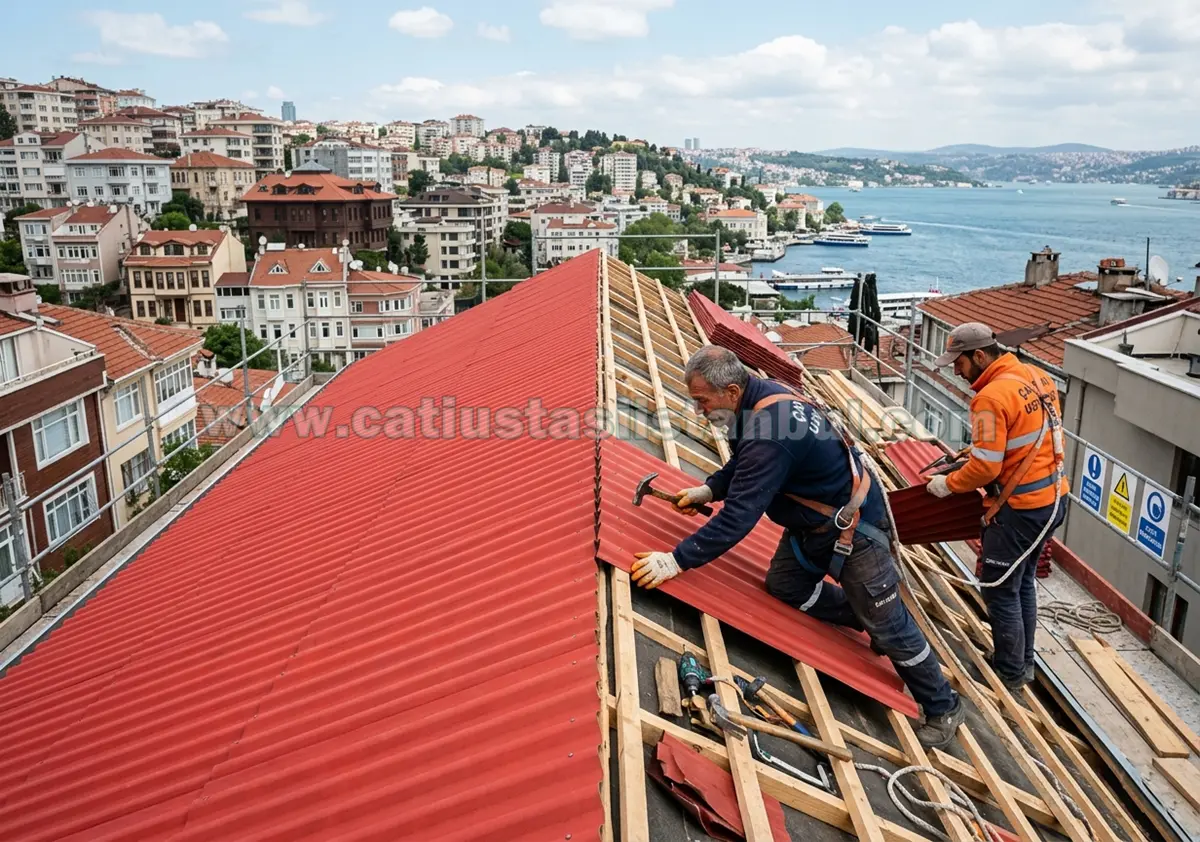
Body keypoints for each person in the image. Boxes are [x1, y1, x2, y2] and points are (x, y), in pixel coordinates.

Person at [631, 345, 964, 747]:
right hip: (814, 522)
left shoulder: (771, 429)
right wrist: (709, 489)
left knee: (891, 627)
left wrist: (675, 561)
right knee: (786, 586)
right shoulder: (756, 400)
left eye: (702, 401)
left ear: (732, 391)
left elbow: (739, 518)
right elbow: (743, 464)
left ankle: (942, 705)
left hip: (855, 527)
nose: (699, 410)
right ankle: (857, 613)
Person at [926, 322, 1069, 691]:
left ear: (979, 356)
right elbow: (1023, 438)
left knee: (999, 588)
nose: (956, 372)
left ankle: (1008, 672)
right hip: (1053, 498)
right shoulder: (1037, 377)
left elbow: (987, 467)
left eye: (959, 363)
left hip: (1019, 509)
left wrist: (948, 484)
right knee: (1021, 584)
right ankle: (1023, 663)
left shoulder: (989, 397)